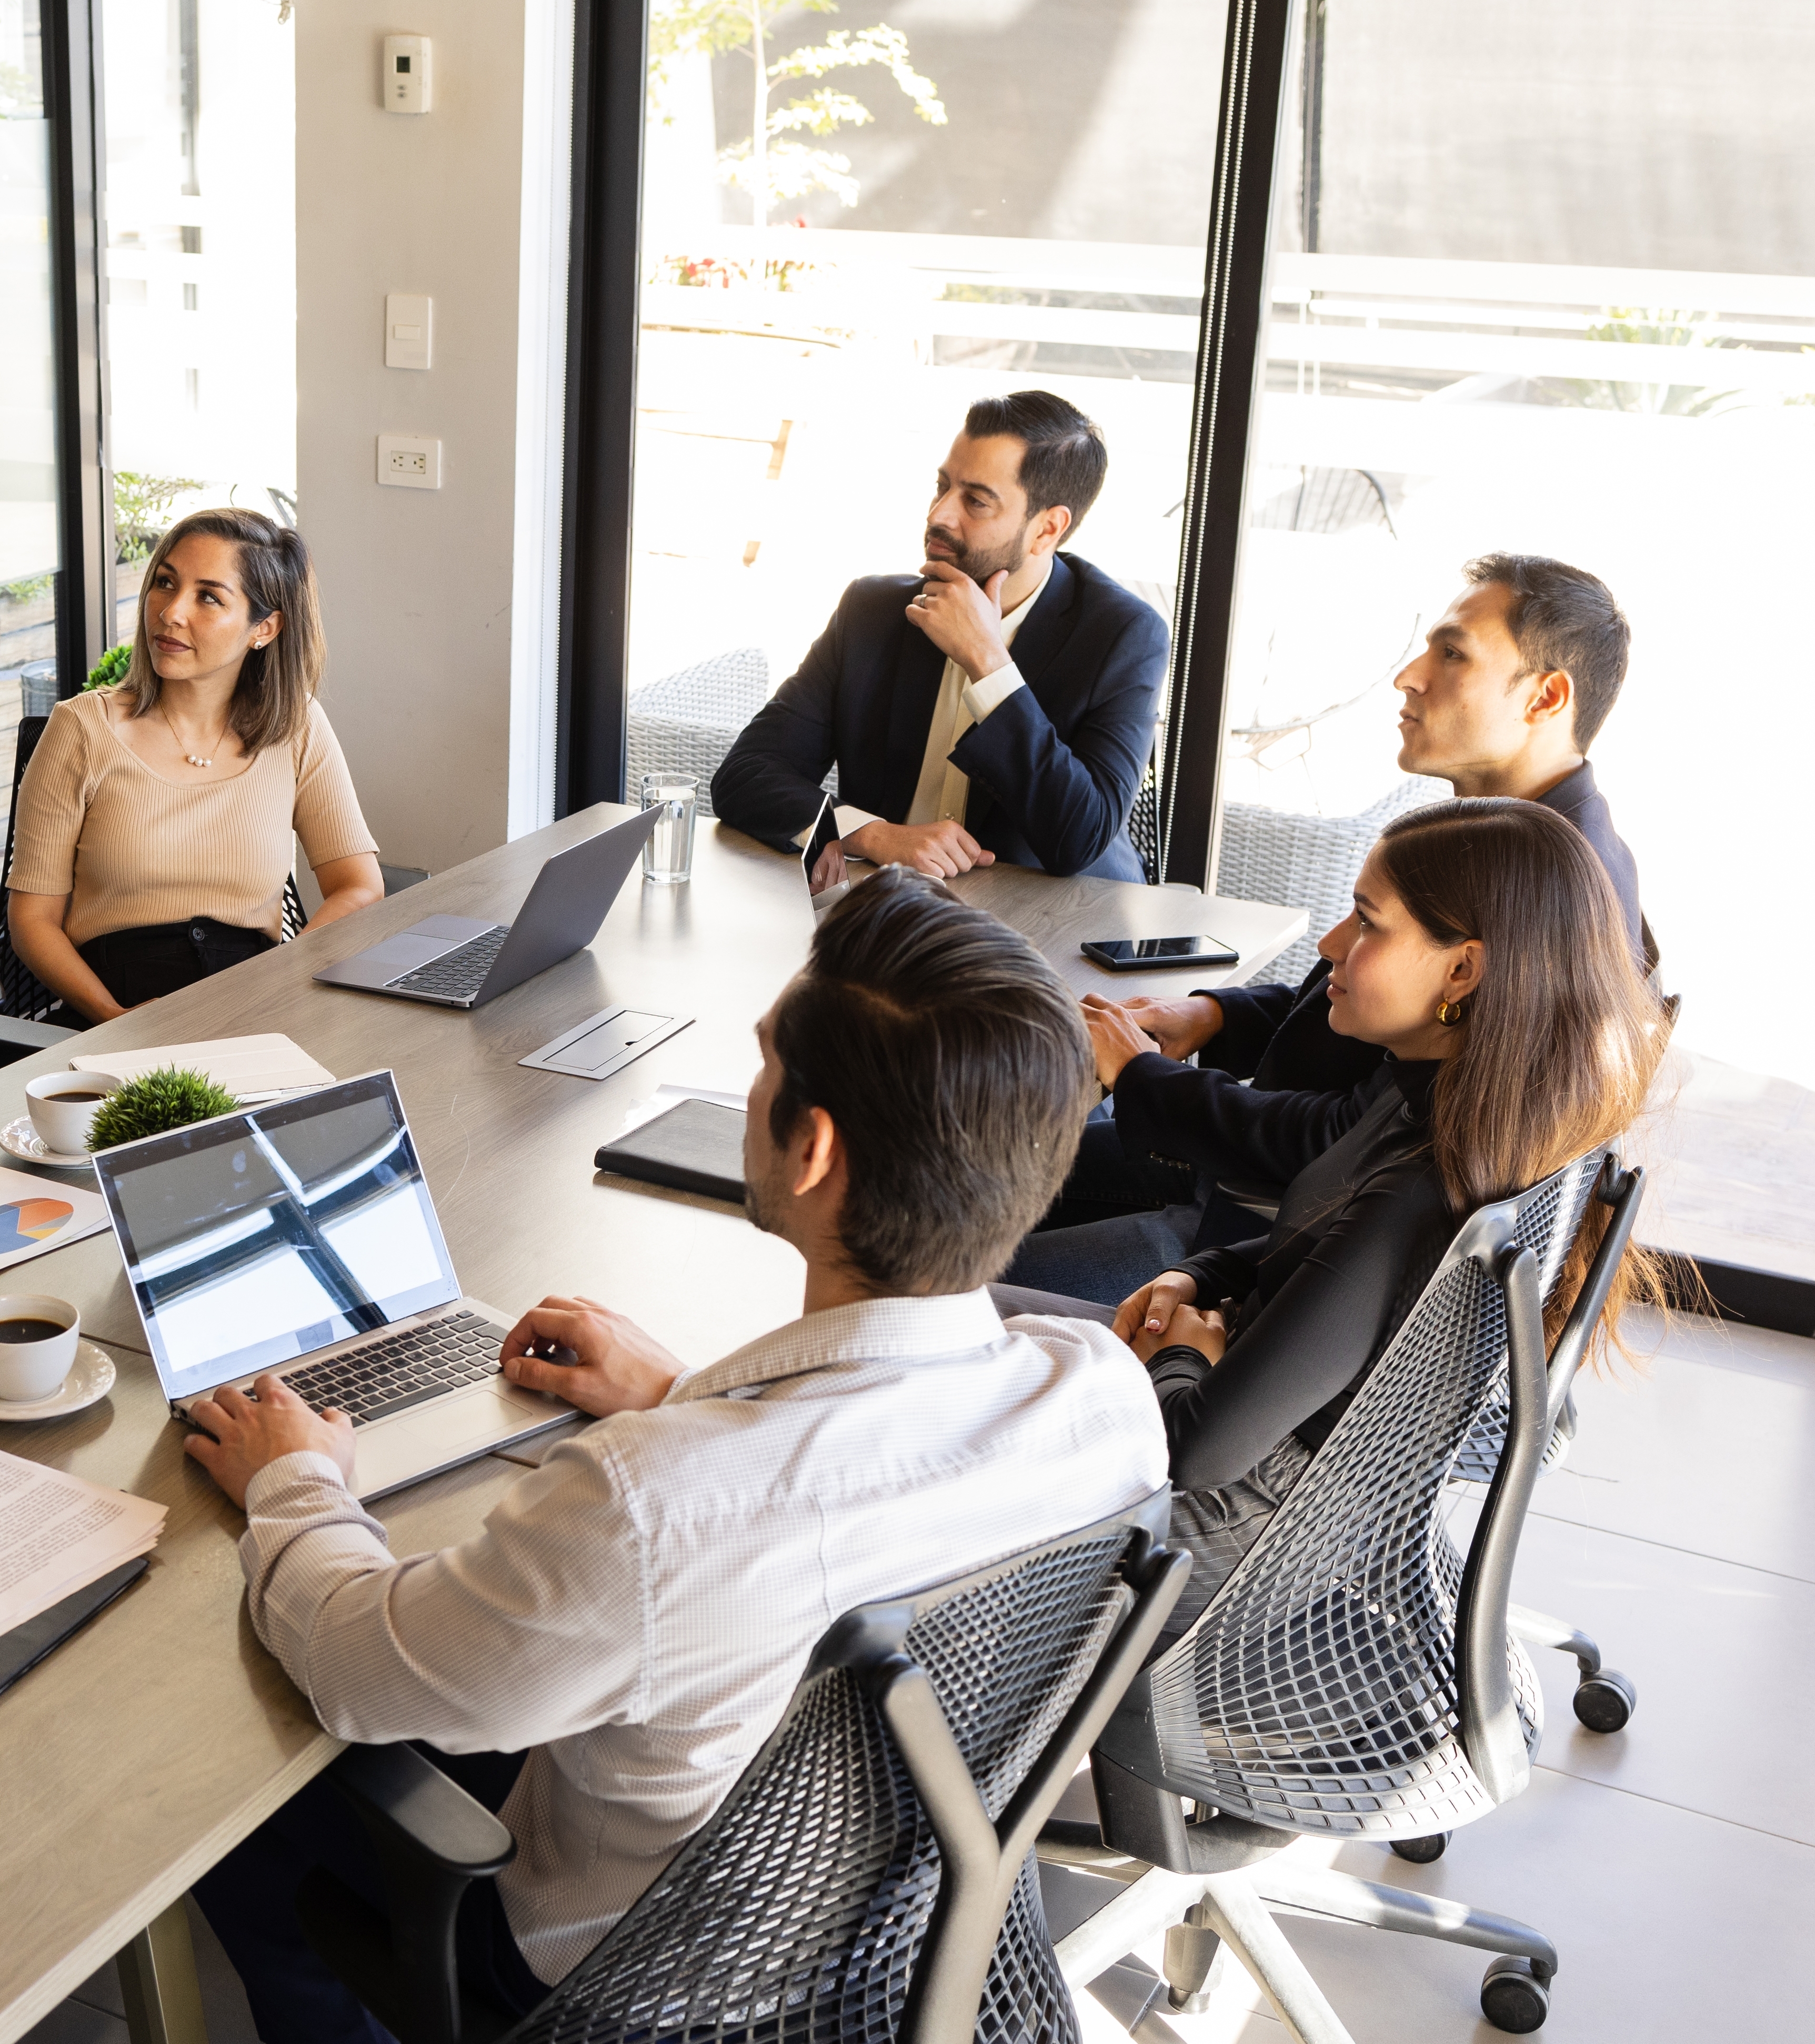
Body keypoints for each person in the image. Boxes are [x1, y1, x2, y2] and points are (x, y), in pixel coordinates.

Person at [173, 872, 1169, 2041]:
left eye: (763, 1064)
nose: (748, 1090)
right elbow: (837, 1470)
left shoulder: (648, 1501)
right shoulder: (1103, 1393)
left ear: (814, 1151)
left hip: (627, 1986)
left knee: (246, 1814)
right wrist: (680, 1393)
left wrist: (294, 1475)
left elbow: (355, 1664)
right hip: (881, 1923)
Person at [1000, 796, 1667, 1631]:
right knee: (959, 1321)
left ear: (1462, 972)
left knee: (946, 1365)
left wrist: (1179, 1359)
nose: (1330, 949)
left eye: (1366, 924)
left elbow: (1201, 1449)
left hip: (1226, 1540)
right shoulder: (1444, 1097)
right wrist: (1193, 1273)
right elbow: (1313, 1240)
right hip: (1255, 1449)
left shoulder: (1423, 1186)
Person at [1008, 553, 1650, 1302]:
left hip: (1275, 1242)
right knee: (980, 1164)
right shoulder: (1513, 843)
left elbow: (1344, 1142)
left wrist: (1142, 1077)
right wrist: (1211, 1015)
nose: (1409, 676)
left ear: (1547, 697)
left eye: (1451, 654)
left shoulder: (1550, 903)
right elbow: (1346, 997)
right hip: (1251, 1175)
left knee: (922, 1271)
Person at [710, 390, 1168, 886]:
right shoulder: (873, 612)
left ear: (1046, 530)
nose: (940, 515)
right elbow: (746, 777)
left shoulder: (1123, 636)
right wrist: (872, 834)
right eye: (942, 486)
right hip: (887, 915)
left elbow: (1079, 839)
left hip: (1059, 931)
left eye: (976, 500)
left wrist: (988, 663)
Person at [6, 509, 386, 1022]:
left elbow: (359, 885)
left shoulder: (297, 727)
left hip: (255, 1008)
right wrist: (111, 1016)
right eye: (165, 582)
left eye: (208, 596)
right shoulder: (81, 730)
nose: (171, 612)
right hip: (116, 1008)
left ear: (265, 628)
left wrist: (285, 981)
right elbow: (32, 918)